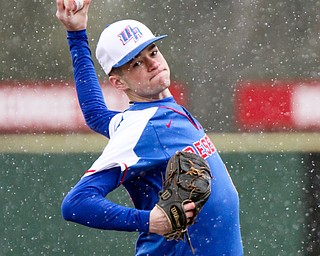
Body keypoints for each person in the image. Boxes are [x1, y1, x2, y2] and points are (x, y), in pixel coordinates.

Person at [56, 0, 243, 255]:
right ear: (118, 82)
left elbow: (95, 114)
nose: (152, 63)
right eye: (136, 64)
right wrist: (147, 221)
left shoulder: (157, 111)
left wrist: (77, 34)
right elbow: (76, 203)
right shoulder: (141, 127)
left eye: (152, 52)